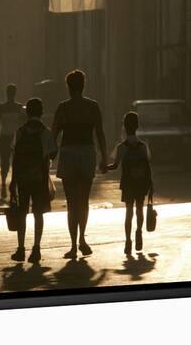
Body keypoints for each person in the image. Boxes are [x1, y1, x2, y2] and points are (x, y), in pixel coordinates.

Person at [52, 69, 108, 259]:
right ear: (83, 86)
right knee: (83, 200)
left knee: (71, 202)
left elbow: (54, 134)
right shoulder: (92, 107)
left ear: (68, 87)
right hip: (86, 153)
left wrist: (49, 157)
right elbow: (100, 134)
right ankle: (83, 239)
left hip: (68, 153)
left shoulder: (63, 108)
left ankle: (73, 245)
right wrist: (104, 158)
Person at [9, 98, 57, 263]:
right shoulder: (46, 132)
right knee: (38, 213)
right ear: (41, 112)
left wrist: (13, 181)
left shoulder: (20, 132)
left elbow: (15, 158)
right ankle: (36, 249)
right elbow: (52, 154)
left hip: (22, 178)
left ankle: (21, 249)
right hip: (39, 178)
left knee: (22, 213)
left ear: (27, 112)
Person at [108, 111, 153, 254]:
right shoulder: (143, 146)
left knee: (129, 212)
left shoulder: (121, 147)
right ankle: (139, 232)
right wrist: (151, 185)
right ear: (137, 126)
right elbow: (148, 165)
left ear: (124, 127)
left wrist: (104, 167)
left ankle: (128, 241)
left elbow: (115, 165)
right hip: (141, 183)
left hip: (128, 183)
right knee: (139, 208)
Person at [0, 84, 23, 199]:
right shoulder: (8, 107)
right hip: (8, 138)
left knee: (13, 163)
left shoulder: (16, 107)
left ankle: (8, 185)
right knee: (7, 163)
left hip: (11, 138)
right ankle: (5, 184)